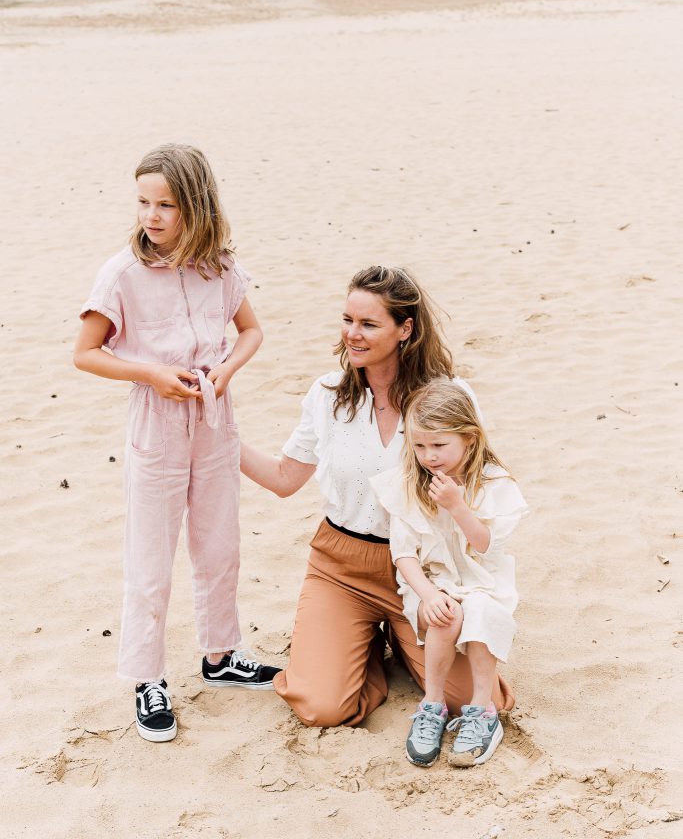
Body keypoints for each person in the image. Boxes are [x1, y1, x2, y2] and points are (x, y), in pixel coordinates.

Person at [240, 265, 515, 728]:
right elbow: (286, 478)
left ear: (405, 328)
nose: (353, 334)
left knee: (470, 700)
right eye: (348, 320)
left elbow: (479, 485)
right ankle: (361, 644)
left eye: (368, 324)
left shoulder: (448, 396)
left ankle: (400, 637)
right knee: (322, 707)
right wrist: (220, 439)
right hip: (341, 565)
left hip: (429, 569)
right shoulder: (327, 395)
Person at [74, 142, 279, 743]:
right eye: (143, 202)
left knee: (220, 545)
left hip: (216, 420)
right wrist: (152, 374)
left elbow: (251, 331)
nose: (152, 216)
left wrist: (225, 371)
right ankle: (147, 678)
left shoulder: (218, 265)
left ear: (196, 205)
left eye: (166, 204)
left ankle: (221, 656)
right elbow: (86, 353)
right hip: (155, 425)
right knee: (151, 557)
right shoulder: (121, 273)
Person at [370, 380, 528, 768]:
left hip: (482, 578)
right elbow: (404, 554)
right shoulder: (409, 484)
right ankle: (433, 705)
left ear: (469, 439)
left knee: (482, 611)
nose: (428, 456)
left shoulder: (491, 483)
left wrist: (458, 506)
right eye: (420, 446)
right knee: (446, 613)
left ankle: (482, 710)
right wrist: (428, 594)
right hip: (432, 580)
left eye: (439, 446)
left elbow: (486, 543)